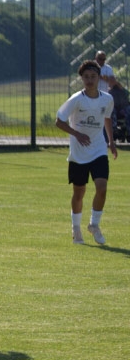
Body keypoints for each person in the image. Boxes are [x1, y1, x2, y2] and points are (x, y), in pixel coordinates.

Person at [55, 59, 117, 246]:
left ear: (99, 78)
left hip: (98, 149)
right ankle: (76, 228)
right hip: (78, 153)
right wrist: (77, 134)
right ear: (82, 78)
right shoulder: (76, 99)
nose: (90, 80)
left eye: (93, 76)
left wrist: (111, 141)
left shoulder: (107, 99)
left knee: (102, 188)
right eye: (86, 77)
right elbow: (59, 121)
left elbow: (106, 118)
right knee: (79, 192)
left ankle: (94, 225)